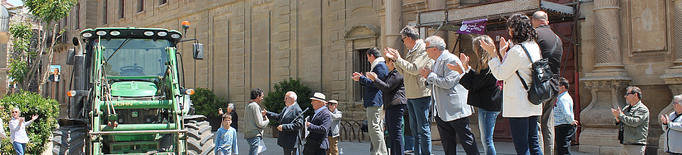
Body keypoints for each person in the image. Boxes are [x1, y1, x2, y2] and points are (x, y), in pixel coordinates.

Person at [480, 13, 543, 155]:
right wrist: (504, 54)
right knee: (534, 142)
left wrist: (493, 54)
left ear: (515, 30)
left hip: (519, 103)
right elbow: (516, 69)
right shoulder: (534, 46)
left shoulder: (517, 50)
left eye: (510, 29)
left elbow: (500, 73)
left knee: (522, 146)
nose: (509, 32)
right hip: (532, 100)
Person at [418, 35, 479, 155]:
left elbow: (448, 83)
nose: (425, 51)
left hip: (455, 108)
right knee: (447, 143)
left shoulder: (450, 59)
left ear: (435, 49)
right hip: (442, 109)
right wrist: (428, 79)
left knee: (466, 140)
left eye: (427, 48)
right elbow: (437, 83)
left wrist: (430, 75)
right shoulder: (436, 61)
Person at [447, 35, 502, 155]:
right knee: (487, 140)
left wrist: (461, 71)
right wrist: (467, 69)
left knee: (487, 140)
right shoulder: (490, 62)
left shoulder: (488, 66)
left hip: (488, 106)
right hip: (490, 105)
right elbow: (478, 80)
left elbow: (473, 85)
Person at [384, 25, 434, 155]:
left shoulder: (422, 50)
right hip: (411, 94)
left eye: (403, 40)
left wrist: (399, 59)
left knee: (422, 129)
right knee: (414, 129)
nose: (404, 43)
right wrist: (395, 60)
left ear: (408, 38)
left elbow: (414, 69)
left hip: (421, 94)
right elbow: (404, 72)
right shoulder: (412, 51)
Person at [532, 11, 563, 155]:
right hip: (554, 85)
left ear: (533, 21)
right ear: (547, 21)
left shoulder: (534, 36)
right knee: (548, 124)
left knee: (536, 123)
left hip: (539, 86)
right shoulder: (557, 38)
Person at [351, 47, 388, 155]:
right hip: (375, 100)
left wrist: (361, 79)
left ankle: (380, 152)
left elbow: (376, 83)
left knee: (374, 128)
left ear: (372, 56)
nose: (368, 60)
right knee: (376, 127)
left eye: (368, 57)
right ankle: (379, 151)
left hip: (375, 101)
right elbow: (373, 82)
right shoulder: (378, 65)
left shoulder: (380, 66)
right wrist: (362, 78)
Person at [367, 55, 407, 155]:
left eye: (387, 62)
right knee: (392, 133)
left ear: (392, 63)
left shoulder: (398, 73)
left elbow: (387, 87)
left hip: (396, 104)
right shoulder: (392, 73)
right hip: (390, 105)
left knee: (396, 133)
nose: (385, 64)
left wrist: (375, 79)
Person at [612, 86, 649, 155]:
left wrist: (620, 116)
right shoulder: (626, 108)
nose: (625, 96)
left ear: (635, 95)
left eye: (627, 94)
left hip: (635, 143)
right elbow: (618, 121)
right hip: (625, 142)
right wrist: (617, 118)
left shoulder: (642, 109)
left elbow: (634, 122)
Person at [553, 77, 578, 155]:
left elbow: (567, 112)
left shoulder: (563, 98)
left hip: (564, 126)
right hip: (560, 126)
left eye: (557, 85)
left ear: (563, 87)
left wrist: (571, 121)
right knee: (561, 148)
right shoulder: (560, 97)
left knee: (563, 149)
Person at [244, 88, 270, 155]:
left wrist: (260, 113)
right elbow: (260, 124)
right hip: (255, 135)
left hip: (249, 134)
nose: (262, 98)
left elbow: (252, 116)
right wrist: (267, 121)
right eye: (262, 96)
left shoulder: (248, 105)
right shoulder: (255, 106)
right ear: (258, 96)